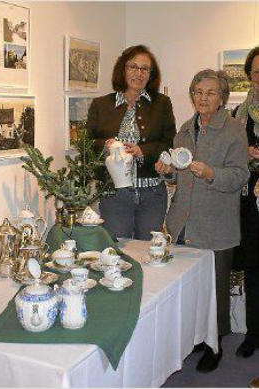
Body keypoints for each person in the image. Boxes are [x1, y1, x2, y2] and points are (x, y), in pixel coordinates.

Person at [155, 69, 249, 372]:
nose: (203, 98)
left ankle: (216, 344)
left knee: (216, 289)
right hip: (182, 222)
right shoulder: (184, 128)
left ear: (221, 98)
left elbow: (240, 175)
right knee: (188, 288)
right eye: (198, 91)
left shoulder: (234, 129)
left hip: (216, 223)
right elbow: (179, 174)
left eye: (210, 93)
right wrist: (168, 172)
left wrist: (211, 174)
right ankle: (195, 338)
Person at [86, 45, 176, 240]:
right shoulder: (101, 105)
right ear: (122, 69)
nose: (139, 73)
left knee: (149, 251)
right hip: (114, 194)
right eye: (133, 67)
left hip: (151, 193)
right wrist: (106, 146)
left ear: (151, 74)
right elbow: (86, 146)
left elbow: (169, 143)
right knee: (117, 251)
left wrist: (142, 150)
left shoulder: (162, 104)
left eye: (145, 69)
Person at [232, 46, 259, 359]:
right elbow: (232, 152)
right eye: (256, 72)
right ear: (249, 76)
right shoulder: (239, 113)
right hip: (250, 195)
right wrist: (246, 153)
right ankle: (254, 333)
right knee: (253, 266)